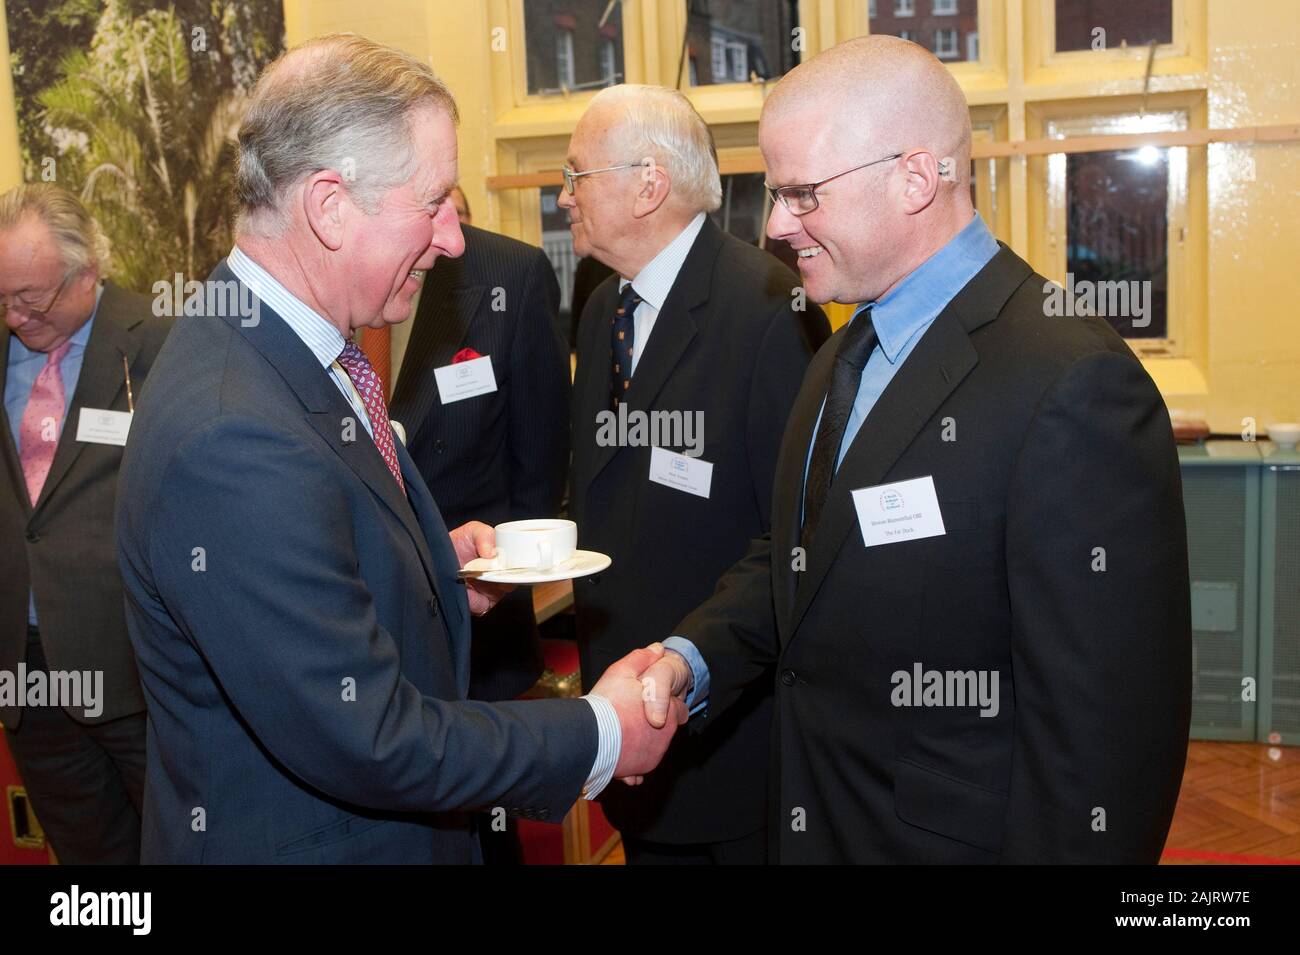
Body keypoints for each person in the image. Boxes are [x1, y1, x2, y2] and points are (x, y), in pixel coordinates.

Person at [114, 34, 680, 864]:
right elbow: (369, 734)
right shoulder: (231, 432)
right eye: (434, 203)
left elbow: (314, 569)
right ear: (329, 205)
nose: (454, 239)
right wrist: (599, 730)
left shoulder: (293, 351)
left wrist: (428, 570)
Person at [638, 36, 1192, 863]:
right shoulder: (838, 353)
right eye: (772, 193)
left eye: (801, 194)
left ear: (916, 177)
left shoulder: (1072, 383)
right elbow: (800, 562)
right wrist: (691, 660)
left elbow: (1105, 748)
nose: (778, 225)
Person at [562, 84, 829, 864]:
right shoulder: (601, 306)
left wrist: (687, 661)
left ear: (648, 184)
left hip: (727, 736)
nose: (564, 195)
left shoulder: (766, 306)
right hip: (630, 720)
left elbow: (794, 534)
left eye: (577, 175)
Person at [389, 218, 570, 864]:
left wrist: (510, 571)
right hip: (365, 625)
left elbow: (541, 458)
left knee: (485, 823)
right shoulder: (326, 286)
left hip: (477, 616)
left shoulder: (507, 275)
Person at [0, 184, 171, 863]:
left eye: (30, 297)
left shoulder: (159, 339)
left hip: (134, 660)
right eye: (2, 296)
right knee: (87, 859)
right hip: (26, 665)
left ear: (86, 273)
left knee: (178, 846)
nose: (14, 314)